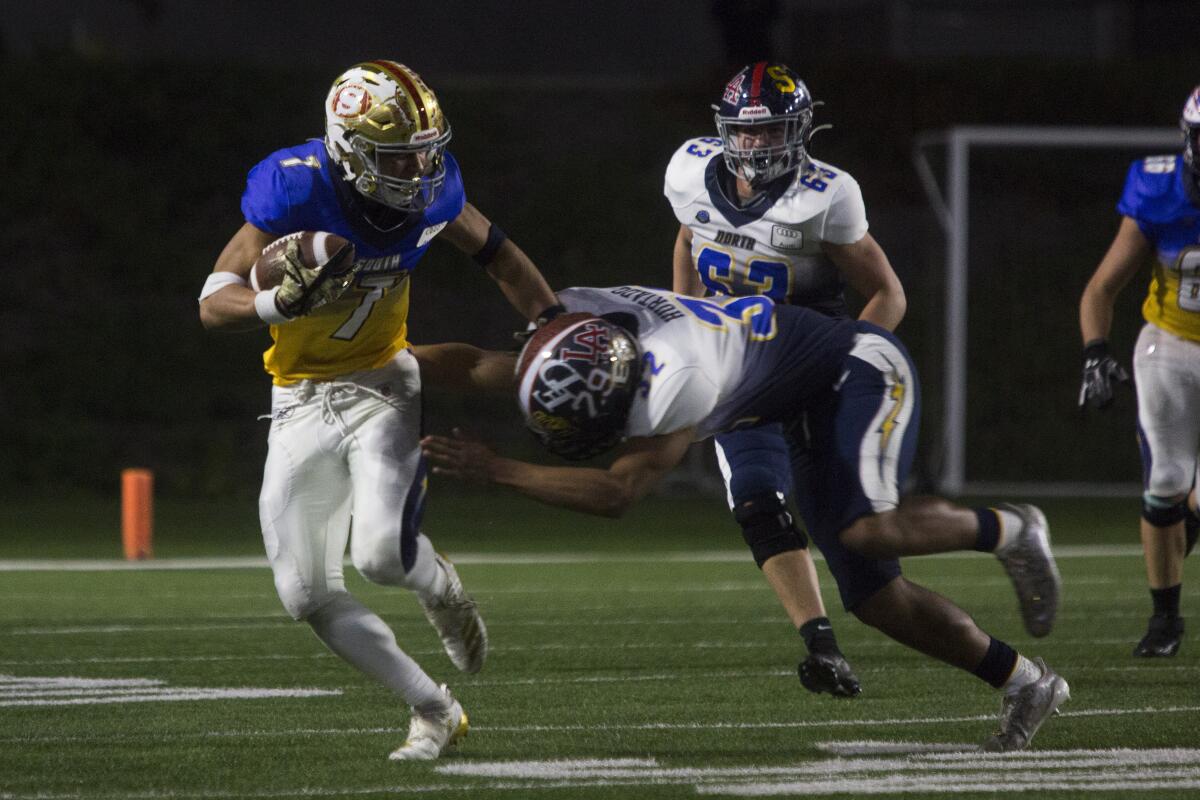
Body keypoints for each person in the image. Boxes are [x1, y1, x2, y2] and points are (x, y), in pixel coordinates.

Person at [422, 285, 1069, 752]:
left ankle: (1012, 529)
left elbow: (618, 492)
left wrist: (497, 471)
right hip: (796, 398)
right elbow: (483, 364)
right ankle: (1025, 682)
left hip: (856, 368)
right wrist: (381, 358)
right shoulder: (581, 335)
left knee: (865, 530)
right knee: (876, 599)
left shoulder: (678, 379)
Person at [197, 60, 559, 761]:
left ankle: (440, 585)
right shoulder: (295, 184)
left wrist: (553, 319)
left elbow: (503, 258)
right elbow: (212, 303)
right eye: (400, 156)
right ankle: (433, 710)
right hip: (296, 398)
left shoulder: (433, 191)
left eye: (425, 151)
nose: (421, 168)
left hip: (382, 385)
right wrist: (276, 302)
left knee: (379, 557)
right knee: (304, 594)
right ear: (347, 149)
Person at [664, 61, 905, 697]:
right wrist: (684, 321)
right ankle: (820, 645)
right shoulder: (689, 171)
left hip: (811, 368)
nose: (755, 145)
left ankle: (995, 534)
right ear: (723, 132)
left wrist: (854, 360)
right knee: (756, 500)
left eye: (771, 132)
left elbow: (886, 292)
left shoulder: (824, 195)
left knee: (866, 557)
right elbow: (689, 238)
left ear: (798, 130)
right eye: (745, 133)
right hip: (737, 371)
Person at [1079, 86, 1200, 658]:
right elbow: (1103, 286)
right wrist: (1095, 351)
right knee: (1167, 482)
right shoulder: (1160, 188)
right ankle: (1165, 620)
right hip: (1171, 345)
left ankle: (1184, 531)